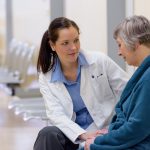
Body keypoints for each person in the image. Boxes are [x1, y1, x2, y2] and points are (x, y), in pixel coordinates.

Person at [33, 17, 128, 150]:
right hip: (73, 135)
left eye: (76, 40)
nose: (73, 47)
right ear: (52, 45)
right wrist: (82, 134)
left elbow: (128, 91)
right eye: (65, 43)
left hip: (105, 130)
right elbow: (55, 114)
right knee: (47, 134)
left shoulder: (99, 61)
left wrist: (119, 125)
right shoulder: (46, 77)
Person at [83, 15, 150, 150]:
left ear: (135, 43)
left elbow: (137, 128)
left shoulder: (147, 79)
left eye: (120, 45)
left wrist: (99, 143)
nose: (119, 52)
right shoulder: (143, 76)